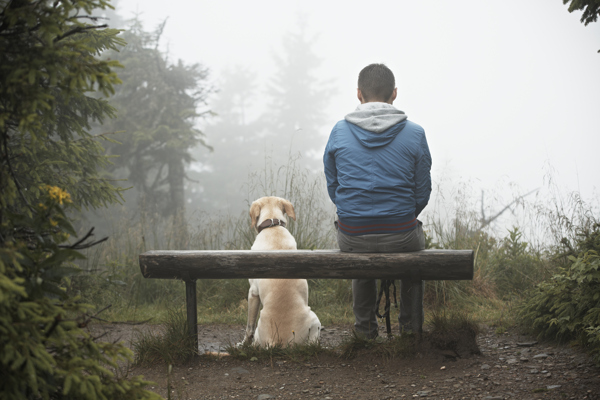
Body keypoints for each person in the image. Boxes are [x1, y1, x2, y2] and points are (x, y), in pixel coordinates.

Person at [323, 63, 432, 339]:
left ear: (359, 94)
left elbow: (333, 184)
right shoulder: (415, 133)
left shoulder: (338, 132)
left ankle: (365, 333)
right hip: (402, 235)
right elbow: (423, 191)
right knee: (412, 252)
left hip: (353, 235)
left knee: (358, 247)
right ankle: (410, 332)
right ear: (394, 94)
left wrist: (354, 212)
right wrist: (401, 215)